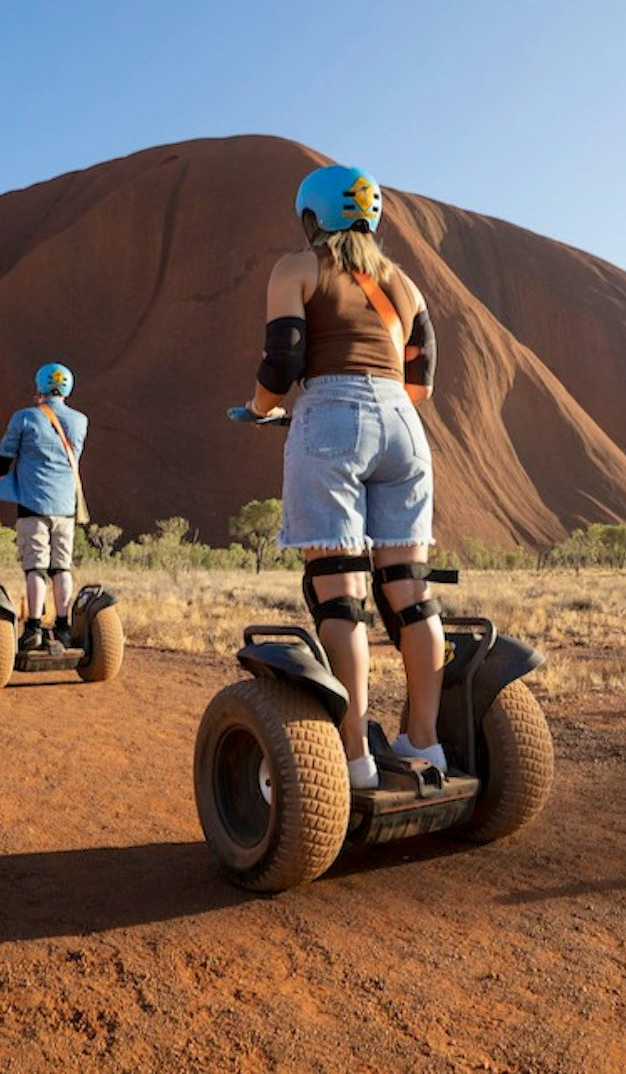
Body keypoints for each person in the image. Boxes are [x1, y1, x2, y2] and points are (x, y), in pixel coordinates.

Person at [238, 164, 445, 790]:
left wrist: (257, 410)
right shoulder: (403, 285)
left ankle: (353, 755)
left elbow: (284, 359)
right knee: (410, 591)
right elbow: (422, 381)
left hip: (332, 416)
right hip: (404, 428)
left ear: (312, 218)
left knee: (340, 592)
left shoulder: (296, 269)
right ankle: (427, 744)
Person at [0, 363, 88, 656]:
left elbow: (3, 460)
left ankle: (32, 628)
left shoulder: (25, 417)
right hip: (66, 505)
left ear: (40, 386)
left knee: (36, 567)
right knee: (61, 567)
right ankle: (63, 627)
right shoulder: (81, 420)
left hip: (33, 503)